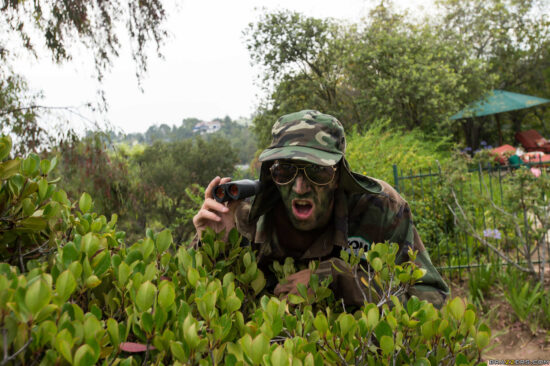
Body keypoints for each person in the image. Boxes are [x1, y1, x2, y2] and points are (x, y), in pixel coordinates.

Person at [193, 110, 449, 308]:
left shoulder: (380, 208)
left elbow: (431, 299)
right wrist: (212, 247)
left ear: (339, 176)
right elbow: (196, 307)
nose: (300, 187)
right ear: (272, 174)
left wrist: (340, 279)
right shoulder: (243, 215)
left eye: (318, 171)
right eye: (285, 171)